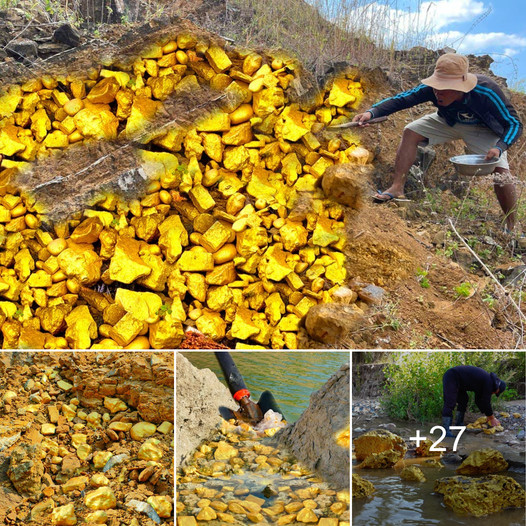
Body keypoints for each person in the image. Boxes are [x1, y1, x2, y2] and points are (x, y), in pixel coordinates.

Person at [353, 53, 523, 231]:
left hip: (482, 128)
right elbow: (402, 99)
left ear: (461, 87)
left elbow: (514, 123)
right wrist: (372, 112)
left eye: (444, 88)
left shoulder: (486, 91)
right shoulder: (432, 89)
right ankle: (397, 187)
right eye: (436, 86)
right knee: (410, 131)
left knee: (501, 170)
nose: (437, 92)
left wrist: (499, 147)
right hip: (447, 121)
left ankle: (511, 225)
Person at [441, 365, 506, 437]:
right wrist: (491, 418)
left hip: (460, 382)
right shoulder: (489, 382)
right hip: (452, 376)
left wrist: (487, 415)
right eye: (496, 392)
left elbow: (478, 401)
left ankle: (458, 424)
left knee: (464, 399)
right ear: (497, 388)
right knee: (450, 402)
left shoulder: (485, 382)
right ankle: (445, 431)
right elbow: (486, 402)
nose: (493, 393)